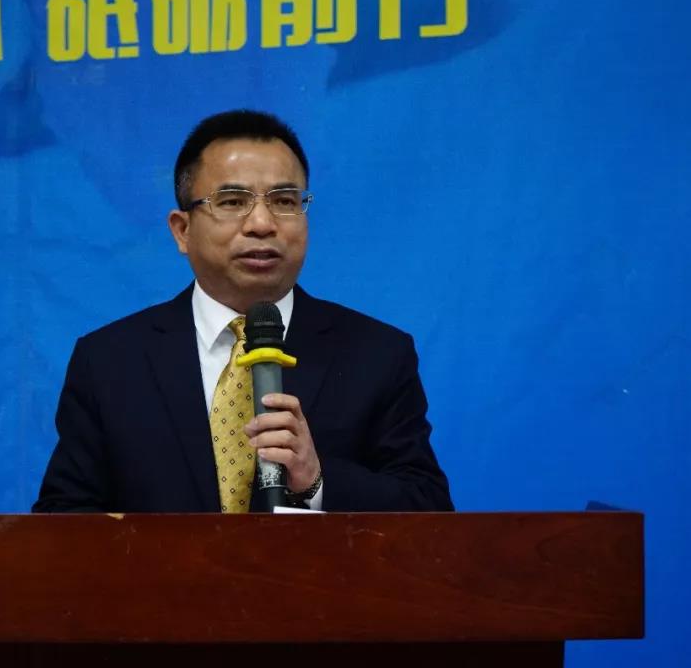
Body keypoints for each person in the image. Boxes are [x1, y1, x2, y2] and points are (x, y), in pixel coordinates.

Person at [33, 110, 452, 513]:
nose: (262, 224)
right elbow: (64, 517)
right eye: (233, 201)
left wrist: (318, 481)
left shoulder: (376, 354)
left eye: (284, 200)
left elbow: (429, 511)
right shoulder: (110, 361)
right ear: (182, 230)